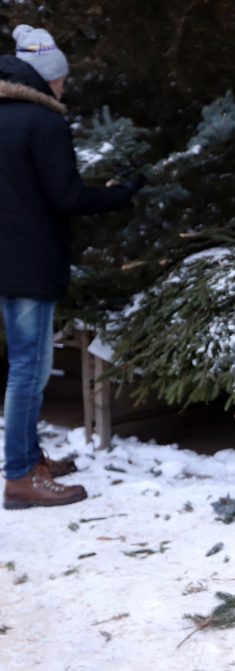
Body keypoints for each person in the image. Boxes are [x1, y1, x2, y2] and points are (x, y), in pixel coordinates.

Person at [0, 25, 144, 509]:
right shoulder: (43, 123)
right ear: (45, 78)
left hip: (6, 259)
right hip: (29, 263)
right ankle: (20, 477)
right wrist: (120, 193)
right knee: (30, 369)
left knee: (24, 365)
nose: (64, 87)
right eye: (61, 80)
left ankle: (27, 459)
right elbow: (66, 197)